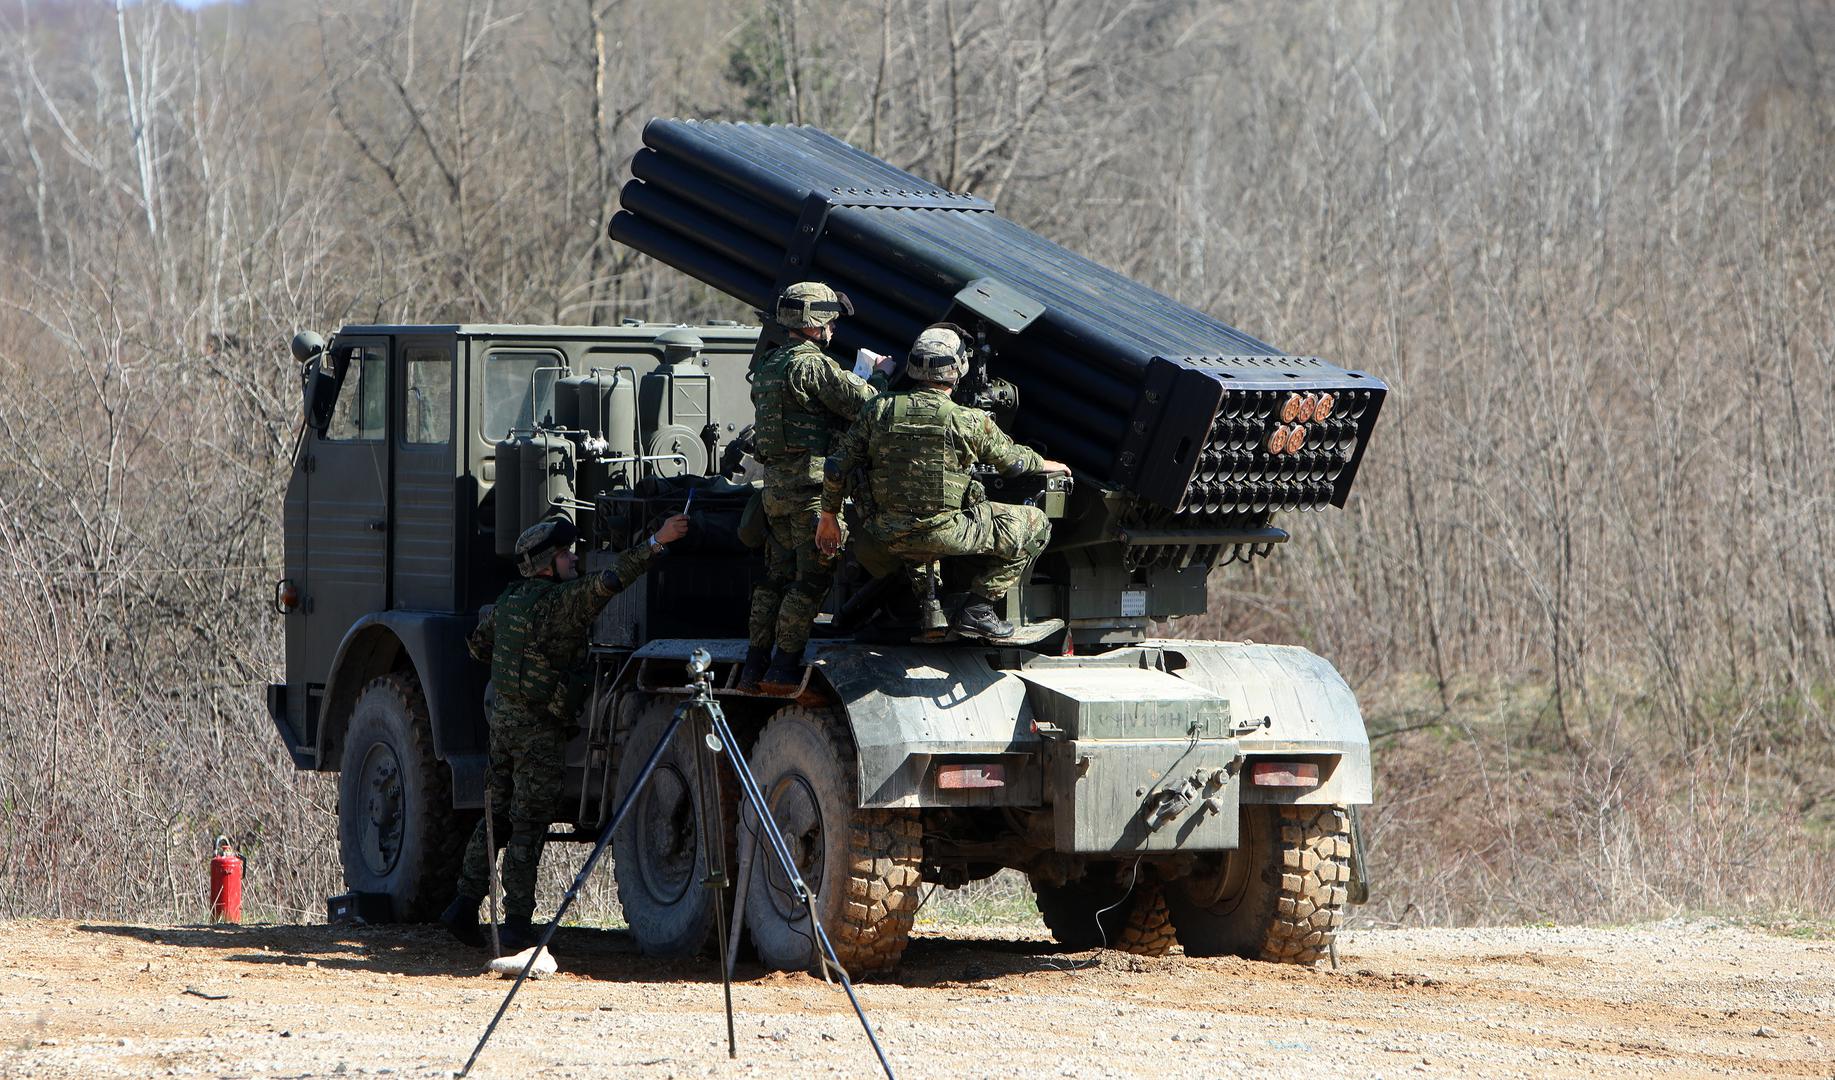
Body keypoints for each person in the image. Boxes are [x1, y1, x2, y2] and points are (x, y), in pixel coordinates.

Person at [440, 512, 689, 950]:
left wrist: (518, 667)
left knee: (495, 814)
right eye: (564, 554)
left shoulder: (508, 602)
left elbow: (478, 648)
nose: (573, 560)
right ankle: (517, 922)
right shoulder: (561, 604)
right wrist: (657, 540)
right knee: (529, 823)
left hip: (503, 725)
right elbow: (614, 577)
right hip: (539, 731)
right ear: (546, 564)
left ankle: (463, 906)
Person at [817, 324, 1068, 640]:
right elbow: (1013, 462)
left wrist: (828, 517)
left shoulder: (877, 409)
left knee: (915, 536)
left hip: (885, 535)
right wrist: (1047, 463)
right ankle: (978, 609)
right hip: (947, 534)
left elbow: (837, 466)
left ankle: (922, 605)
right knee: (1037, 524)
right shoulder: (966, 419)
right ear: (958, 369)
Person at [742, 280, 897, 693]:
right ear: (818, 322)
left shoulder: (769, 366)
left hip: (774, 493)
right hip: (811, 493)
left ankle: (755, 664)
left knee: (774, 579)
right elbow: (867, 405)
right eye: (830, 320)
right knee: (809, 580)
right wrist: (880, 376)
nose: (833, 329)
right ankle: (784, 666)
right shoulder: (812, 365)